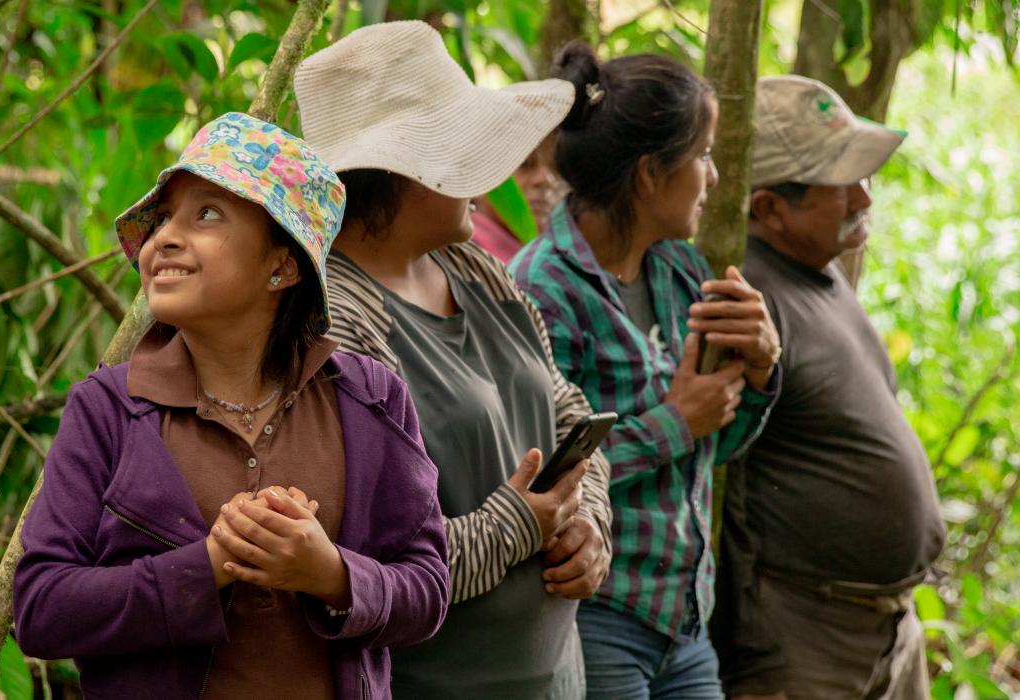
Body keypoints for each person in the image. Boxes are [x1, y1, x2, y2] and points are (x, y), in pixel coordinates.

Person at [12, 112, 449, 700]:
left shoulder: (369, 398)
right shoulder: (108, 410)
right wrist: (208, 565)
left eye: (207, 214)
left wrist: (332, 575)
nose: (164, 237)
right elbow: (41, 608)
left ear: (282, 265)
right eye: (164, 217)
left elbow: (427, 590)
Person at [293, 21, 613, 700]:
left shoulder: (474, 269)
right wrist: (519, 526)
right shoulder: (336, 325)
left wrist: (589, 522)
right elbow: (369, 559)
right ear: (404, 173)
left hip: (556, 678)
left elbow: (567, 409)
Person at [510, 44, 781, 700]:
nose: (713, 177)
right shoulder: (541, 288)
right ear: (650, 175)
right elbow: (535, 473)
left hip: (685, 621)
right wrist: (674, 422)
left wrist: (763, 369)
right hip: (597, 617)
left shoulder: (683, 272)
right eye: (704, 155)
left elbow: (715, 442)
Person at [710, 75, 946, 700]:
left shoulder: (820, 273)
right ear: (769, 209)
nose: (864, 200)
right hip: (805, 636)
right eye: (840, 187)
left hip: (888, 625)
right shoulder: (746, 301)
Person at [471, 134, 567, 263]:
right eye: (525, 164)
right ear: (479, 176)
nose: (545, 179)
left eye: (554, 169)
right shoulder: (466, 254)